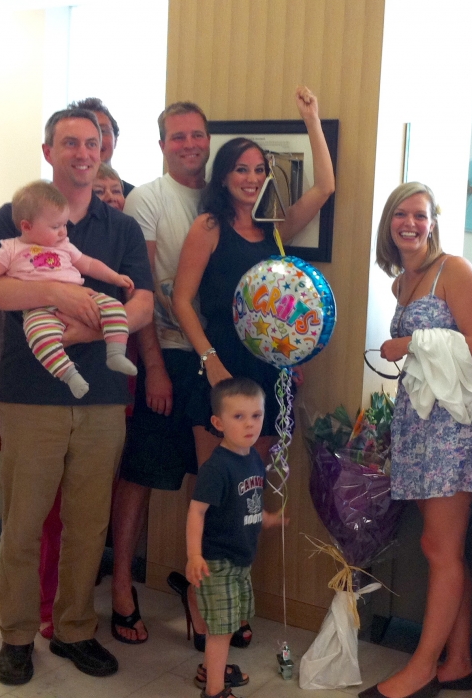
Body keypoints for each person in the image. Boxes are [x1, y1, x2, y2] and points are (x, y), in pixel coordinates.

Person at [0, 108, 153, 686]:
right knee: (23, 526)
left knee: (86, 525)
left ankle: (75, 630)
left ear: (103, 151)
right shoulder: (17, 213)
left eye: (92, 143)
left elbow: (143, 302)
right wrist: (51, 289)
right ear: (48, 150)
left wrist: (91, 328)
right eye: (70, 142)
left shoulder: (119, 227)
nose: (83, 152)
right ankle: (18, 635)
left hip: (102, 397)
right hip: (29, 397)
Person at [172, 86, 334, 647]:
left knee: (247, 501)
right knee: (213, 501)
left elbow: (327, 186)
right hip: (217, 381)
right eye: (240, 168)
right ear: (223, 177)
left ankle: (232, 604)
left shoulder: (275, 229)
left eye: (259, 169)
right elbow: (181, 301)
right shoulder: (208, 229)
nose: (250, 177)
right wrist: (211, 362)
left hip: (265, 382)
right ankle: (202, 613)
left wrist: (311, 119)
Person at [359, 182, 472, 698]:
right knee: (442, 546)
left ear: (433, 222)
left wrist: (410, 342)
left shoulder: (453, 270)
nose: (410, 223)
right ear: (388, 224)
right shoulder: (402, 282)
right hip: (419, 422)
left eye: (420, 214)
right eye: (400, 214)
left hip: (453, 428)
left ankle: (420, 670)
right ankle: (456, 663)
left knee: (440, 547)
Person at [109, 100, 211, 647]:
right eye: (178, 137)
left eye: (198, 135)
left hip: (215, 361)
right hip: (167, 354)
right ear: (162, 144)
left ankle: (201, 594)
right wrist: (153, 367)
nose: (190, 144)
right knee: (142, 474)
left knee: (210, 480)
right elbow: (141, 288)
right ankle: (122, 585)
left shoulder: (221, 196)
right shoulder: (147, 199)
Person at [0, 179, 137, 399]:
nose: (63, 232)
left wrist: (116, 278)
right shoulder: (10, 249)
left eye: (64, 224)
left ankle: (115, 353)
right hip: (39, 310)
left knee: (115, 308)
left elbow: (89, 264)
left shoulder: (64, 246)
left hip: (83, 298)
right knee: (40, 339)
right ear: (26, 226)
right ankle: (69, 374)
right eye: (55, 227)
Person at [186, 377, 285, 698]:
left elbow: (247, 502)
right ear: (218, 422)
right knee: (223, 627)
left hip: (241, 560)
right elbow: (197, 512)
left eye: (256, 415)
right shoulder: (217, 467)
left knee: (227, 624)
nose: (250, 424)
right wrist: (194, 556)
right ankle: (214, 690)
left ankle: (209, 669)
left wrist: (266, 518)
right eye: (238, 416)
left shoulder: (253, 458)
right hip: (217, 562)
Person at [69, 97, 134, 194]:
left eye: (103, 131)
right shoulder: (54, 198)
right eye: (86, 132)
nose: (96, 140)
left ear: (115, 140)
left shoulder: (133, 197)